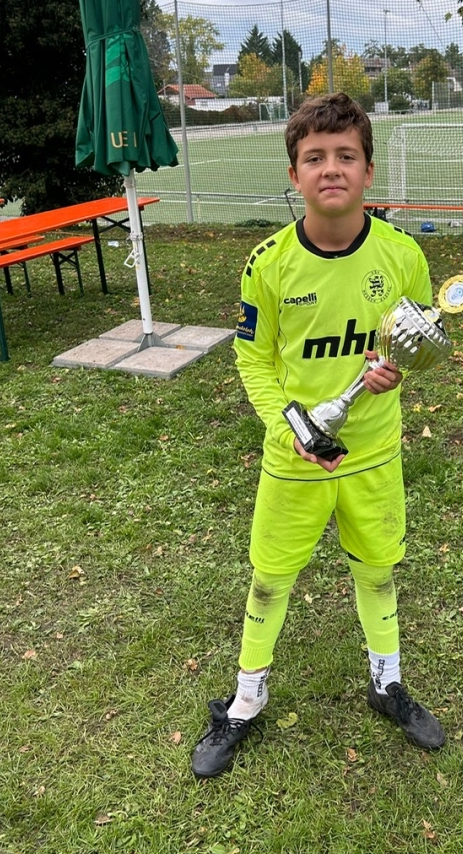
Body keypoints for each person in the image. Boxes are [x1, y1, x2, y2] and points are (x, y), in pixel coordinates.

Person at [191, 92, 446, 778]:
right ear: (294, 173)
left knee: (378, 568)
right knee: (271, 578)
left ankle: (387, 682)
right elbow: (252, 358)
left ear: (368, 170)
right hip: (295, 458)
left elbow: (417, 339)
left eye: (346, 156)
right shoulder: (268, 263)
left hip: (374, 453)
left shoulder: (403, 254)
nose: (331, 168)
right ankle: (246, 699)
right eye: (315, 158)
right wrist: (290, 425)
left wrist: (399, 371)